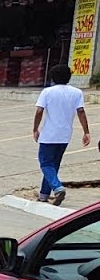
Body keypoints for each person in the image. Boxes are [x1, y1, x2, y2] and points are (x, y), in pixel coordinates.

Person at [34, 63, 90, 205]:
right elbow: (81, 112)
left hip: (49, 135)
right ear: (69, 77)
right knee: (54, 165)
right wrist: (86, 132)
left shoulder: (47, 92)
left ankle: (57, 188)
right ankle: (44, 194)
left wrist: (35, 129)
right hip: (65, 135)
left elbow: (39, 111)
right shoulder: (77, 92)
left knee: (45, 163)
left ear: (52, 77)